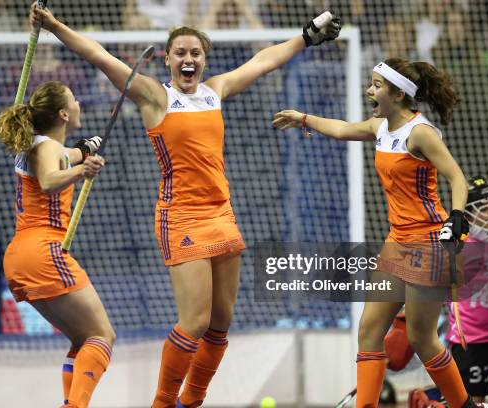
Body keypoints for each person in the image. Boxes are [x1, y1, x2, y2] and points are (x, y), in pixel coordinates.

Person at [29, 4, 340, 407]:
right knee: (194, 323)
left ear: (204, 60)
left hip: (222, 215)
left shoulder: (215, 91)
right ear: (168, 59)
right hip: (181, 217)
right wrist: (55, 26)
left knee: (220, 324)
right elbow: (98, 55)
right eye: (181, 53)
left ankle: (191, 401)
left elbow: (264, 60)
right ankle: (163, 402)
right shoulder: (155, 96)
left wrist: (308, 36)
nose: (188, 59)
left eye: (195, 53)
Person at [273, 58, 488, 408]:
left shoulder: (420, 132)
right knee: (369, 330)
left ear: (399, 93)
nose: (369, 90)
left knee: (422, 339)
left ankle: (463, 405)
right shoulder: (380, 127)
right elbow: (343, 129)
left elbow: (457, 177)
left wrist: (458, 216)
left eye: (376, 84)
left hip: (428, 243)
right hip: (396, 241)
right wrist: (303, 119)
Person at [0, 81, 115, 408]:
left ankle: (69, 403)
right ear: (63, 113)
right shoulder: (46, 148)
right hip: (43, 251)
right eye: (74, 100)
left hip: (21, 255)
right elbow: (49, 180)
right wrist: (81, 169)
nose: (79, 103)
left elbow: (69, 154)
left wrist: (86, 149)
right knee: (102, 336)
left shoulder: (42, 145)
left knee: (81, 339)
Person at [446, 176, 488, 405]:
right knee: (471, 401)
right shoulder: (460, 250)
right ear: (468, 216)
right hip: (472, 340)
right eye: (484, 207)